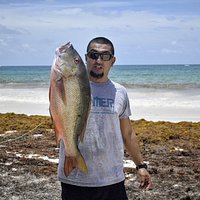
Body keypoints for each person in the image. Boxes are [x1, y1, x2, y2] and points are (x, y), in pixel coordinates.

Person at [58, 37, 152, 200]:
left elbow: (127, 133)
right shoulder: (68, 86)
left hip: (112, 179)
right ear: (86, 58)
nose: (98, 60)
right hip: (74, 178)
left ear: (113, 61)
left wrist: (140, 166)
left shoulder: (120, 92)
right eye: (93, 55)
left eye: (105, 56)